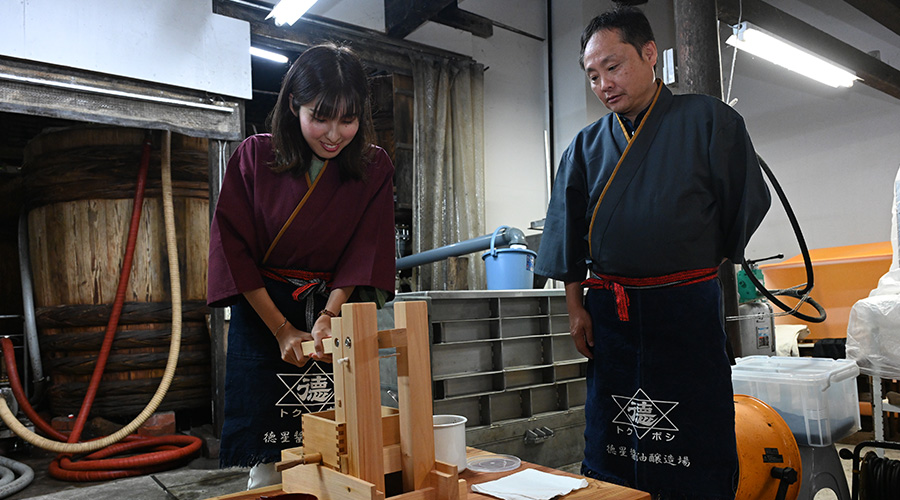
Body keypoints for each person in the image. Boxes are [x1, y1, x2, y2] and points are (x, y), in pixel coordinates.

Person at [535, 7, 770, 499]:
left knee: (693, 431)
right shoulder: (583, 147)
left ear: (649, 55)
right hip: (612, 316)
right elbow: (567, 235)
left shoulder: (711, 121)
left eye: (613, 67)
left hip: (685, 309)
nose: (603, 84)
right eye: (593, 75)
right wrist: (575, 308)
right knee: (616, 434)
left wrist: (696, 260)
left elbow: (741, 204)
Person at [207, 43, 396, 489]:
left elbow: (364, 251)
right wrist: (280, 329)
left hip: (331, 313)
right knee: (271, 452)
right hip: (263, 311)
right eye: (321, 116)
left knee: (337, 440)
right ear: (294, 105)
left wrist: (330, 315)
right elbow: (234, 250)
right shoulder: (255, 157)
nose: (334, 133)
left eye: (347, 119)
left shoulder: (373, 167)